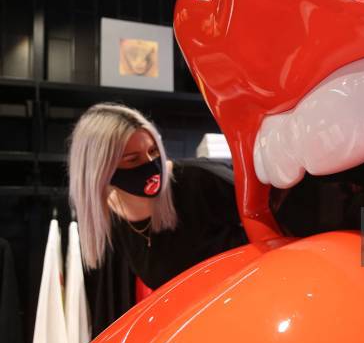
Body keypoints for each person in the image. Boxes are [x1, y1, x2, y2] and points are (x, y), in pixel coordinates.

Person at [68, 102, 247, 289]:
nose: (152, 165)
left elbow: (273, 217)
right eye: (133, 159)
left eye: (153, 151)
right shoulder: (113, 218)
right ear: (101, 169)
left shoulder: (198, 179)